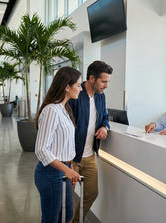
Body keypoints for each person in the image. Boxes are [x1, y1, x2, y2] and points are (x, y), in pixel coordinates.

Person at [34, 67, 83, 223]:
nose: (81, 89)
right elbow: (42, 150)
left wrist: (70, 168)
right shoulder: (52, 110)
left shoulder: (64, 109)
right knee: (52, 219)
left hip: (62, 170)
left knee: (66, 215)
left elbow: (64, 145)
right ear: (67, 87)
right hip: (50, 173)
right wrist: (66, 170)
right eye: (78, 85)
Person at [69, 61, 113, 223]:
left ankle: (74, 221)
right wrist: (68, 159)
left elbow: (105, 117)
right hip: (72, 157)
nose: (106, 85)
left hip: (89, 156)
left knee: (91, 193)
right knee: (67, 197)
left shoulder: (101, 96)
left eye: (107, 81)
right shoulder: (76, 95)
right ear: (92, 78)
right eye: (104, 81)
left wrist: (104, 128)